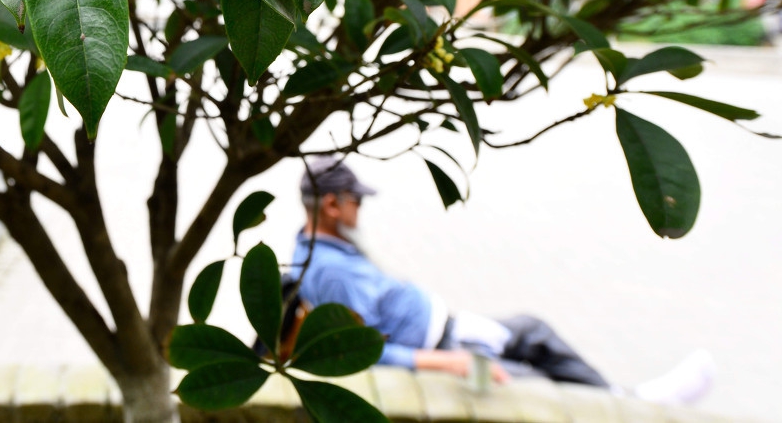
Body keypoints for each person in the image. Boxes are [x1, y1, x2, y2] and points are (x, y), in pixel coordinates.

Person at [290, 154, 715, 405]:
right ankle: (633, 410)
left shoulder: (322, 248)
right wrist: (448, 362)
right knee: (532, 384)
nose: (359, 209)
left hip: (450, 329)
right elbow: (360, 352)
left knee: (533, 329)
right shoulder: (330, 272)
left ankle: (621, 400)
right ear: (332, 205)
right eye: (355, 201)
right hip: (441, 349)